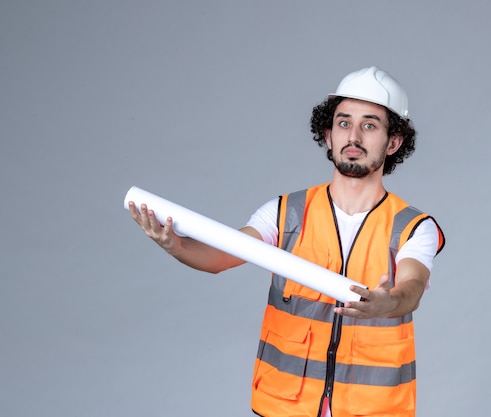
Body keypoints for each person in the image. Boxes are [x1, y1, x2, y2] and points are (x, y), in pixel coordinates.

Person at [128, 66, 445, 417]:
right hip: (286, 405)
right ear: (328, 134)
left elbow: (411, 286)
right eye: (343, 123)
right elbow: (222, 256)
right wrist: (177, 245)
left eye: (369, 125)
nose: (353, 136)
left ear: (393, 142)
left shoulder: (412, 226)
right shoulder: (285, 213)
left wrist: (390, 303)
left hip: (371, 410)